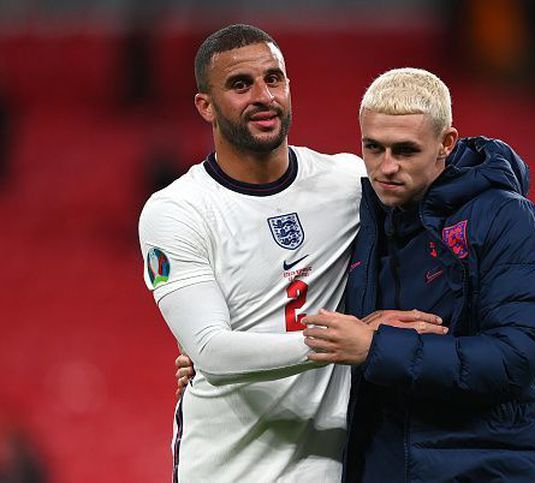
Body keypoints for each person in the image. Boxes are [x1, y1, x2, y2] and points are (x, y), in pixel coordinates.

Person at [138, 24, 446, 482]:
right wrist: (349, 339)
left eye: (274, 79)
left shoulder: (349, 182)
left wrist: (526, 301)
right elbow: (211, 351)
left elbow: (458, 231)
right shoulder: (177, 210)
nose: (263, 95)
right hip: (229, 468)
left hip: (333, 462)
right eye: (241, 84)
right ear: (205, 105)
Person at [302, 68, 535, 481]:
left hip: (492, 467)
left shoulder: (505, 216)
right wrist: (217, 354)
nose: (386, 167)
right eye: (373, 148)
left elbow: (514, 358)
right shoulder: (363, 219)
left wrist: (375, 347)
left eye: (405, 150)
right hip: (390, 463)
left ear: (446, 142)